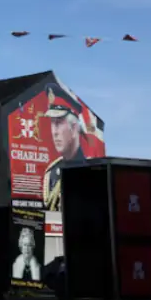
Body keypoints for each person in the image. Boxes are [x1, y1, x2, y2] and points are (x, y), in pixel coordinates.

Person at [42, 83, 86, 212]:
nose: (54, 132)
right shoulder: (51, 172)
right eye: (52, 123)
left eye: (59, 123)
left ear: (74, 128)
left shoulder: (88, 169)